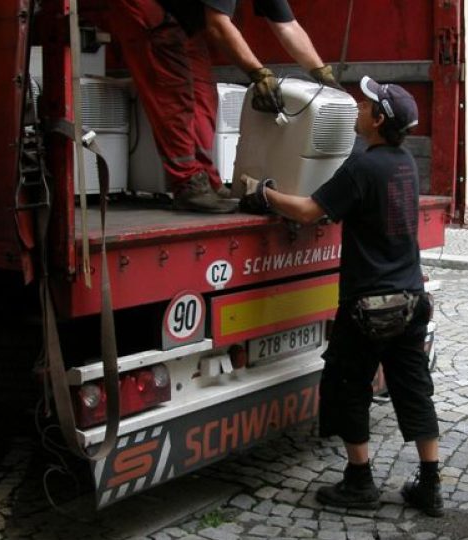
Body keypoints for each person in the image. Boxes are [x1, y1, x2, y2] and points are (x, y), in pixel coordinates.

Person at [239, 77, 444, 517]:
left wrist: (263, 193)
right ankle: (429, 484)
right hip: (410, 299)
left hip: (367, 304)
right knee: (414, 391)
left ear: (379, 119)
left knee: (349, 386)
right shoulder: (406, 162)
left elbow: (310, 210)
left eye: (367, 103)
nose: (358, 106)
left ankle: (359, 482)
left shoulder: (361, 167)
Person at [104, 0, 340, 213]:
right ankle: (188, 185)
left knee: (204, 95)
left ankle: (206, 178)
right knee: (174, 96)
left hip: (180, 16)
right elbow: (217, 25)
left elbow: (287, 26)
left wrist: (322, 74)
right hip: (148, 8)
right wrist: (258, 74)